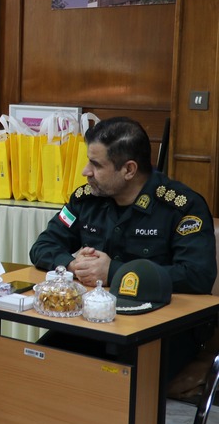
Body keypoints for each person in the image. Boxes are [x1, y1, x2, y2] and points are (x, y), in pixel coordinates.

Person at [30, 117, 216, 379]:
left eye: (96, 164)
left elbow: (197, 276)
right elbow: (43, 246)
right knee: (35, 365)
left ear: (129, 169)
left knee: (105, 382)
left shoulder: (180, 207)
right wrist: (73, 265)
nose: (85, 171)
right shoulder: (86, 200)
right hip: (95, 320)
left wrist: (115, 272)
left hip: (161, 331)